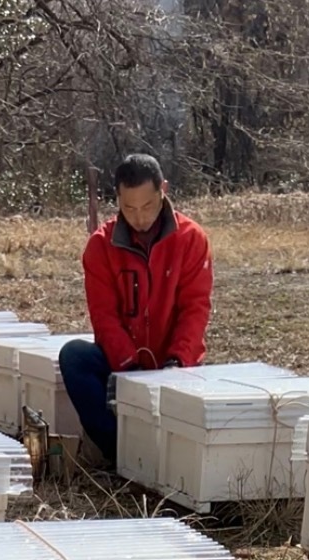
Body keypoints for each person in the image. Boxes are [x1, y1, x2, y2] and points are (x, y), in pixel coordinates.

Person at [60, 153, 213, 468]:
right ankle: (121, 453)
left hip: (175, 364)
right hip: (121, 363)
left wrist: (177, 362)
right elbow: (104, 317)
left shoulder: (191, 238)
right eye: (129, 208)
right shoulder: (100, 245)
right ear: (117, 199)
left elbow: (195, 309)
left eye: (147, 206)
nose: (140, 218)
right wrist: (129, 369)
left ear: (163, 190)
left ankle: (167, 458)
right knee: (74, 356)